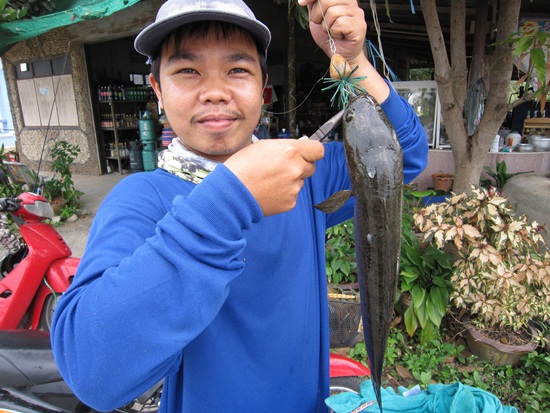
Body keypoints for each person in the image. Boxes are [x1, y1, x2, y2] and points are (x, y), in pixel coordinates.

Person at [50, 0, 429, 412]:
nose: (215, 91)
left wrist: (352, 60)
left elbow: (404, 155)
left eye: (237, 70)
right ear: (157, 89)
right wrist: (231, 199)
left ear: (264, 88)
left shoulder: (303, 172)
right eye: (187, 71)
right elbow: (92, 372)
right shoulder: (141, 199)